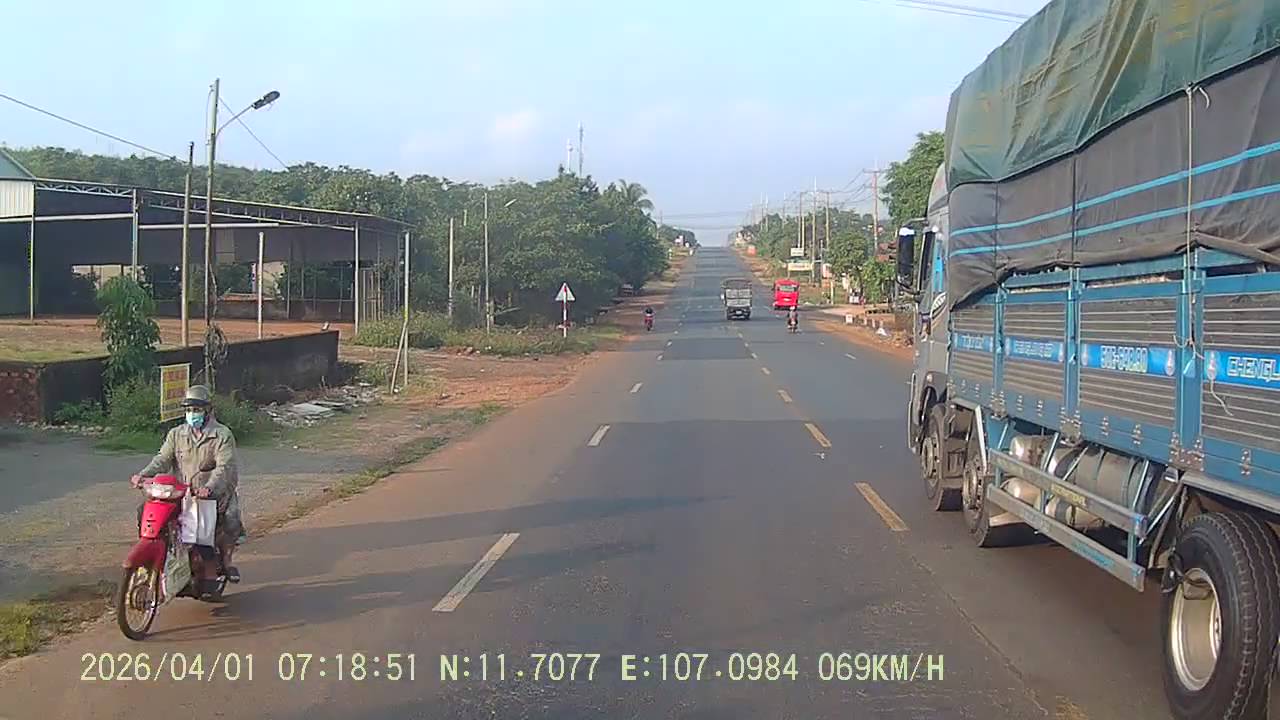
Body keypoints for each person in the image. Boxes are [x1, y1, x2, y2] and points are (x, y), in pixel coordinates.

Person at [131, 385, 242, 583]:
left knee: (219, 523)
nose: (192, 414)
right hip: (180, 493)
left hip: (210, 494)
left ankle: (223, 561)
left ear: (208, 410)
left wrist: (209, 488)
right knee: (145, 510)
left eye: (197, 409)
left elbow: (224, 467)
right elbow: (162, 459)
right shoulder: (176, 434)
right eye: (189, 410)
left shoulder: (222, 435)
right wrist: (143, 475)